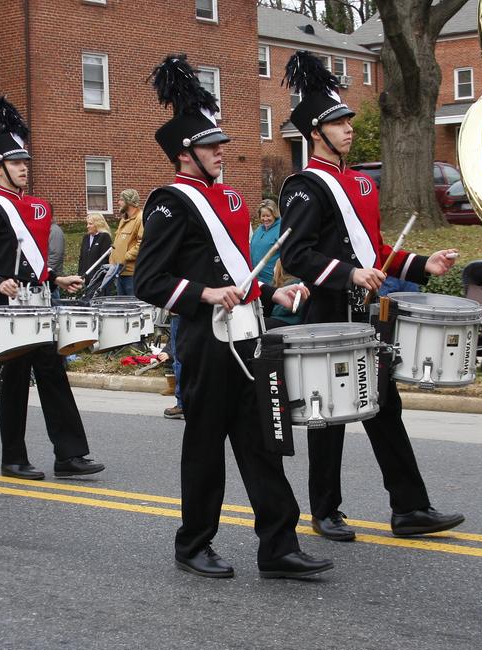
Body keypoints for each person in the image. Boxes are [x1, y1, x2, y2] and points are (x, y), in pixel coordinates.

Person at [135, 54, 332, 580]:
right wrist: (204, 293)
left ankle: (278, 546)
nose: (222, 151)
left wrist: (272, 293)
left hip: (247, 335)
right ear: (185, 153)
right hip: (205, 340)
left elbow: (238, 273)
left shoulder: (228, 198)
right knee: (205, 444)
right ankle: (194, 543)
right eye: (210, 146)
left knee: (263, 438)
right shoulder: (168, 203)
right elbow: (148, 281)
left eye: (221, 144)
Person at [279, 50, 465, 543]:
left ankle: (410, 509)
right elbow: (297, 255)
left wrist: (425, 265)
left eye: (347, 120)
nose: (347, 128)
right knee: (330, 413)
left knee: (385, 407)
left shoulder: (361, 182)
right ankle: (325, 510)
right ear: (315, 134)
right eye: (337, 123)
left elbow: (377, 253)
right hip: (328, 309)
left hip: (369, 313)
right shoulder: (303, 186)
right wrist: (348, 275)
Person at [0, 96, 104, 480]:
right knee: (17, 382)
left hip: (40, 300)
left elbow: (29, 259)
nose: (24, 168)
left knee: (54, 376)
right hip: (9, 307)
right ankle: (13, 458)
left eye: (26, 162)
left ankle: (69, 456)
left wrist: (56, 278)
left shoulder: (39, 206)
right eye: (16, 163)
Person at [109, 188, 143, 296]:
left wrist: (126, 256)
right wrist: (112, 260)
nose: (118, 202)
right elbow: (117, 244)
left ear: (129, 201)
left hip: (132, 274)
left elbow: (143, 243)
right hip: (119, 272)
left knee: (133, 308)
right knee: (122, 308)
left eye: (121, 200)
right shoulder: (123, 220)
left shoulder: (140, 218)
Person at [249, 199, 281, 286]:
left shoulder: (281, 229)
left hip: (272, 281)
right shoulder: (259, 229)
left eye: (268, 216)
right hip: (255, 278)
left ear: (274, 214)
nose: (265, 219)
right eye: (263, 216)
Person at [78, 212, 113, 282]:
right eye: (87, 224)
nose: (87, 226)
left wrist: (96, 276)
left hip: (98, 279)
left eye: (90, 224)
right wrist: (80, 275)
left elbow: (104, 259)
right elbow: (81, 258)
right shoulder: (86, 237)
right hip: (86, 278)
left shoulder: (104, 237)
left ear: (98, 224)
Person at [48, 217, 65, 299]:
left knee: (54, 305)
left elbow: (55, 255)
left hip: (51, 280)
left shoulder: (54, 231)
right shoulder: (49, 229)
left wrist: (47, 274)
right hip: (49, 278)